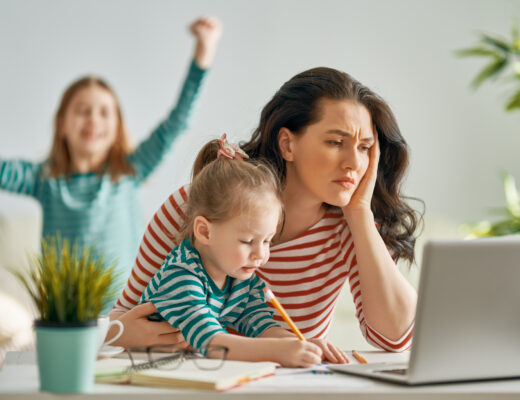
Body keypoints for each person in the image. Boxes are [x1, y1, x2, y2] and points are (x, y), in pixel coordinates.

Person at [109, 66, 420, 354]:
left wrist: (360, 213)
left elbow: (395, 339)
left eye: (364, 148)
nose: (354, 163)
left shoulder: (349, 227)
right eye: (336, 142)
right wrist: (123, 334)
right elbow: (121, 317)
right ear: (287, 144)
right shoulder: (193, 207)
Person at [0, 17, 222, 311]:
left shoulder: (129, 171)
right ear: (62, 125)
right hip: (66, 317)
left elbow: (177, 123)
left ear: (117, 128)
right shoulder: (44, 179)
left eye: (104, 112)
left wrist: (203, 54)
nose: (93, 119)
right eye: (82, 111)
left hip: (125, 314)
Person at [139, 134, 348, 367]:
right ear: (205, 232)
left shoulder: (238, 278)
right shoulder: (181, 277)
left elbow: (262, 327)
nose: (261, 255)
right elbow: (211, 343)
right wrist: (279, 351)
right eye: (248, 241)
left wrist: (303, 344)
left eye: (267, 241)